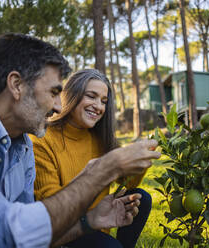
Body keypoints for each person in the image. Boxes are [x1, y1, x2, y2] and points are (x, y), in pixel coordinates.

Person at [0, 33, 161, 247]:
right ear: (17, 85)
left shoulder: (22, 147)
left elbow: (29, 235)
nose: (57, 106)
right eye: (54, 93)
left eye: (103, 101)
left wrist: (89, 221)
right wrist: (101, 172)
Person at [30, 69, 151, 247]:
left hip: (100, 223)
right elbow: (51, 206)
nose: (98, 106)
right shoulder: (42, 140)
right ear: (71, 96)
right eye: (91, 96)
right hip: (64, 232)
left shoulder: (100, 139)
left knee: (141, 198)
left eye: (104, 101)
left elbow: (129, 184)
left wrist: (141, 160)